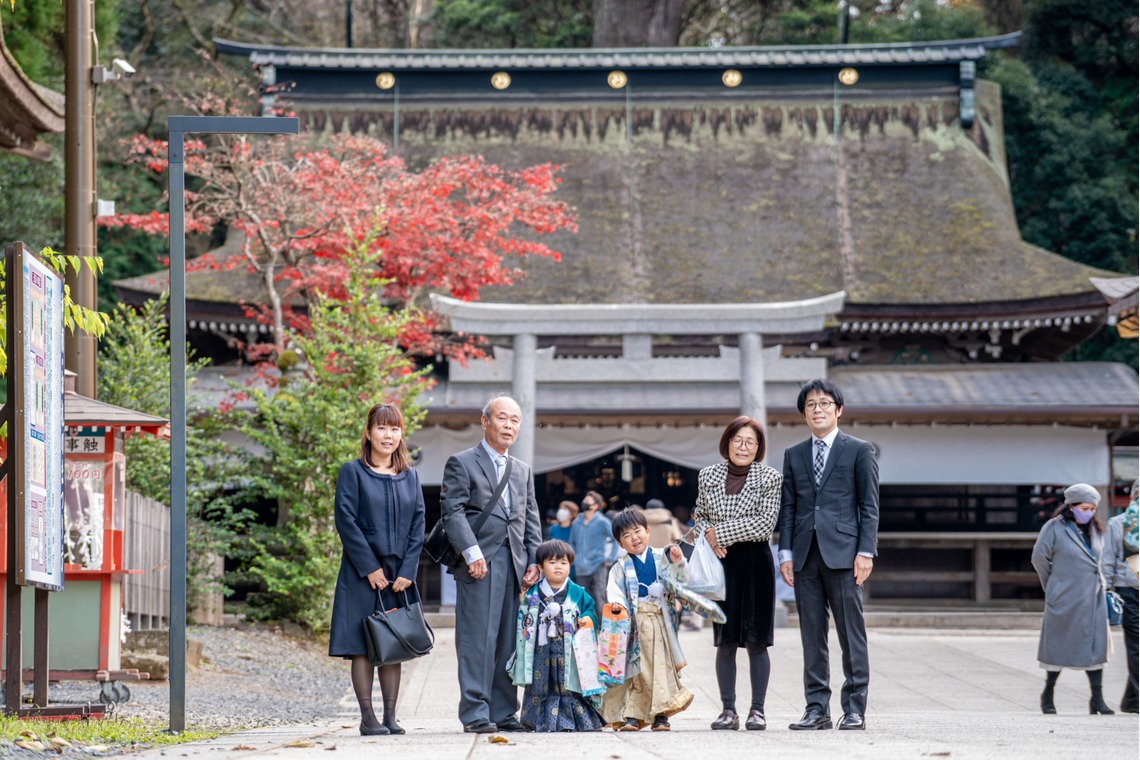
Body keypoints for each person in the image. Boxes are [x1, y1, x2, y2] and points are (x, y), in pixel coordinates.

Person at [778, 378, 879, 731]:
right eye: (810, 405)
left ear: (838, 410)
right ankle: (816, 707)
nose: (817, 410)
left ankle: (854, 708)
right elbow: (789, 508)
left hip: (846, 555)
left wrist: (866, 551)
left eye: (824, 404)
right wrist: (785, 553)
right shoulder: (793, 455)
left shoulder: (859, 450)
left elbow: (869, 506)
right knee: (811, 634)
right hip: (805, 555)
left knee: (851, 634)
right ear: (803, 413)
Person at [440, 394, 543, 734]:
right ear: (485, 421)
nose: (509, 425)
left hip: (515, 566)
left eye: (515, 420)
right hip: (478, 564)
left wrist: (534, 560)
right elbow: (452, 511)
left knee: (508, 642)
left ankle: (503, 712)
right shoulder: (462, 462)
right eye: (502, 418)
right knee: (476, 640)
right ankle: (474, 712)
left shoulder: (522, 470)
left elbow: (530, 521)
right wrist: (471, 553)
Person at [328, 403, 426, 736]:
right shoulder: (351, 472)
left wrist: (408, 569)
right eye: (382, 428)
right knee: (361, 644)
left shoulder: (410, 476)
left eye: (395, 429)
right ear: (369, 432)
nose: (389, 435)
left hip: (399, 574)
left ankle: (391, 717)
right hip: (361, 572)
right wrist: (369, 567)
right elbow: (346, 521)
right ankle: (367, 718)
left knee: (393, 640)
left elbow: (418, 523)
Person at [694, 416, 783, 731]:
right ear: (727, 442)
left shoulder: (771, 478)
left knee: (757, 640)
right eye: (738, 440)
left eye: (751, 442)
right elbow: (700, 514)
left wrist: (720, 533)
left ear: (758, 447)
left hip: (756, 562)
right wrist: (708, 534)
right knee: (726, 640)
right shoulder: (708, 475)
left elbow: (764, 523)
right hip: (722, 564)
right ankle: (728, 710)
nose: (743, 447)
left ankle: (757, 710)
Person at [600, 508, 694, 731]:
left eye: (637, 531)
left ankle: (661, 714)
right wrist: (617, 605)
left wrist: (678, 563)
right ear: (620, 543)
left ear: (648, 531)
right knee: (636, 670)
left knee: (662, 668)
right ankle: (632, 714)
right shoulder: (620, 567)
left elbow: (682, 580)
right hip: (633, 624)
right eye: (626, 535)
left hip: (660, 623)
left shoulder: (663, 556)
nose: (634, 538)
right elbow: (614, 591)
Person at [1033, 483, 1115, 715]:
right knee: (1058, 647)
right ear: (1071, 506)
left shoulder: (1096, 529)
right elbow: (1039, 558)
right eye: (1084, 507)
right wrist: (1052, 586)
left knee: (1095, 648)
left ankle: (1097, 699)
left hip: (1093, 597)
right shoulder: (1054, 527)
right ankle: (1048, 694)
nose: (1088, 512)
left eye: (1092, 508)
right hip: (1064, 597)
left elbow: (1101, 560)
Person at [511, 539, 606, 731]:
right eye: (552, 563)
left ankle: (572, 721)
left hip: (569, 649)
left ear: (570, 567)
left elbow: (591, 611)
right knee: (541, 685)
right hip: (541, 649)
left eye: (563, 563)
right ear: (540, 567)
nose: (558, 567)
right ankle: (536, 720)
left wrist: (586, 620)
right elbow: (523, 617)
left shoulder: (578, 592)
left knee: (568, 685)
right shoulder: (533, 593)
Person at [1101, 480, 1139, 713]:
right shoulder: (1119, 524)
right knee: (1136, 645)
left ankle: (1131, 700)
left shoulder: (1119, 522)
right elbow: (1108, 559)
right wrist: (1107, 589)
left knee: (1136, 646)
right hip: (1128, 590)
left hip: (1127, 585)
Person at [570, 490, 615, 610]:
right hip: (580, 567)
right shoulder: (576, 523)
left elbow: (615, 539)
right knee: (583, 598)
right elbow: (571, 543)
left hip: (598, 565)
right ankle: (587, 626)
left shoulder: (602, 521)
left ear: (596, 506)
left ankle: (603, 626)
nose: (584, 503)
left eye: (588, 502)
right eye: (584, 500)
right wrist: (575, 558)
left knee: (600, 597)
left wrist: (609, 558)